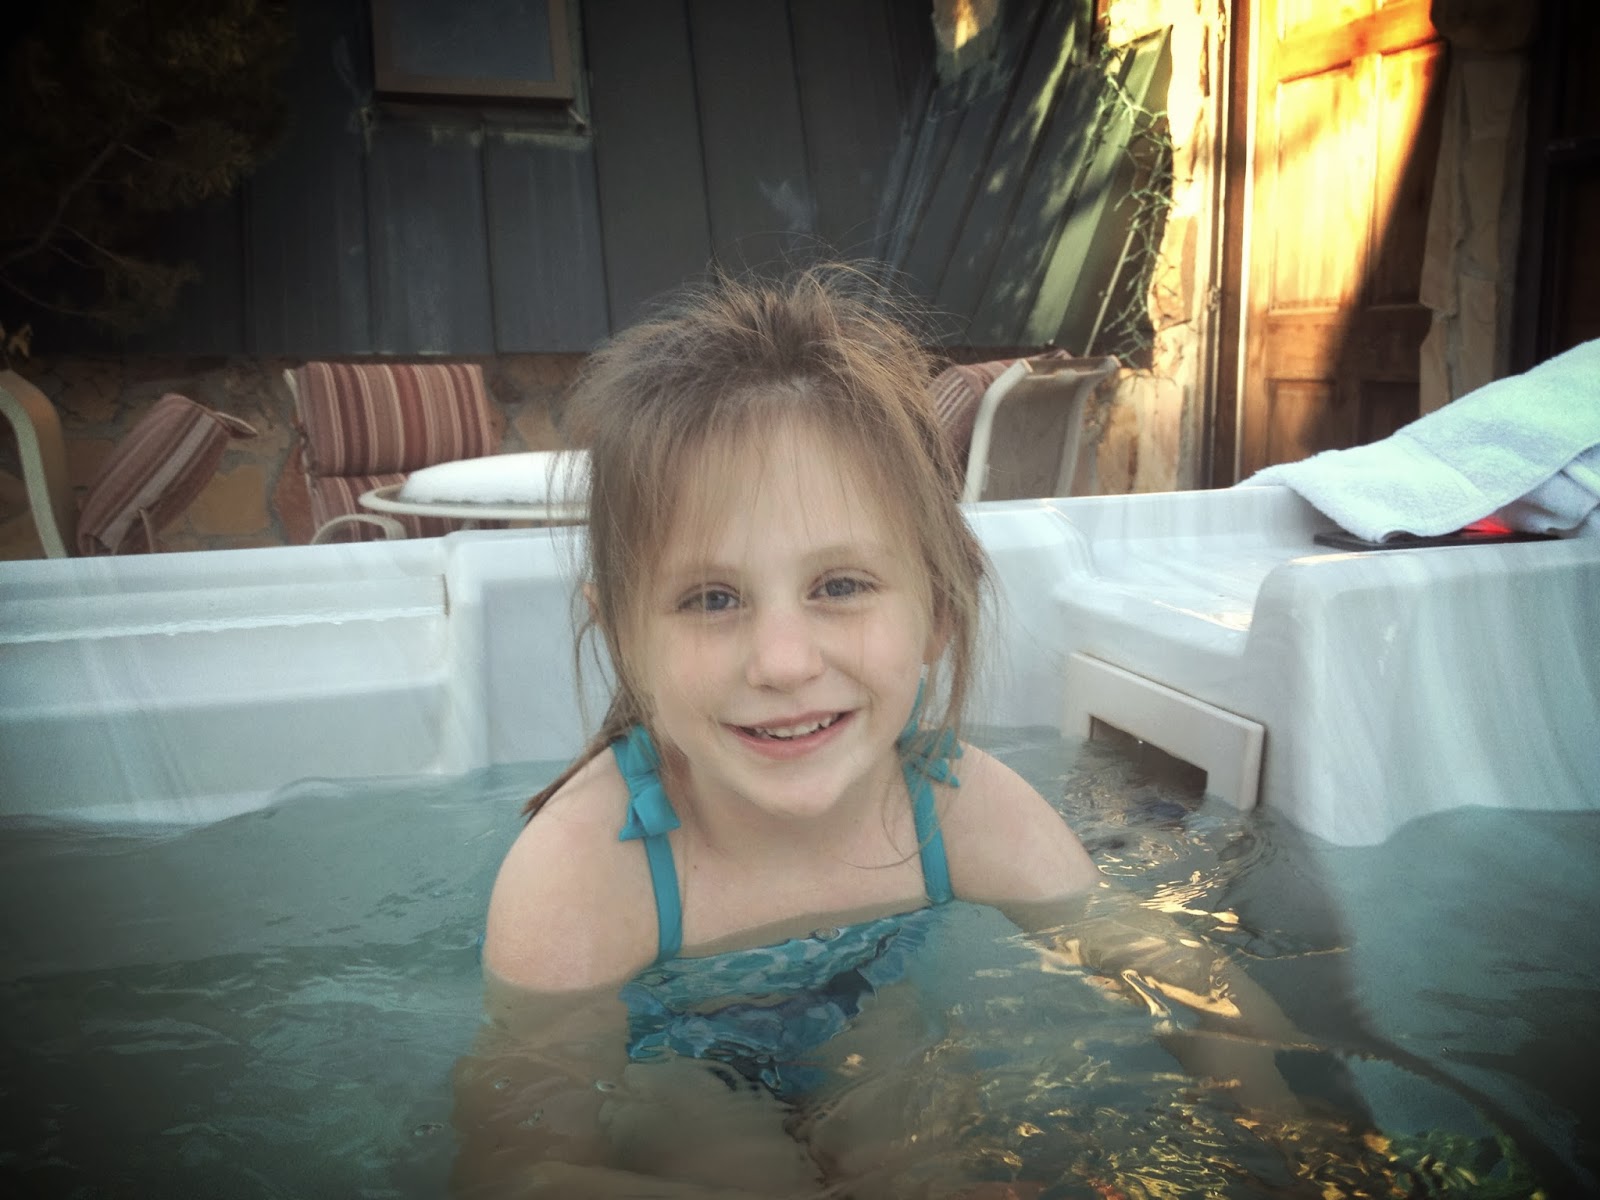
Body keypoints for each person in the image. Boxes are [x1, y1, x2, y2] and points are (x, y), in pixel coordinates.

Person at [452, 266, 1299, 1198]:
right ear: (623, 637)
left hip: (866, 1020)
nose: (782, 662)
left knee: (928, 1158)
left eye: (840, 585)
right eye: (711, 598)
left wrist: (1299, 1143)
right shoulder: (585, 870)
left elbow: (1176, 974)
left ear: (938, 610)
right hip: (671, 1065)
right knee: (733, 1165)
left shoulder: (954, 805)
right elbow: (516, 1168)